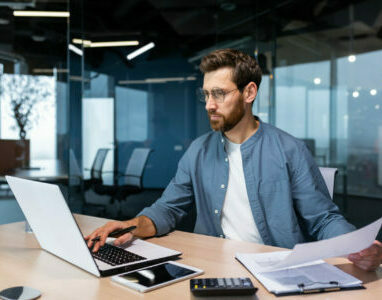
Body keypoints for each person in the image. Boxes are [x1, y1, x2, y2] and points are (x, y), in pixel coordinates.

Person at [86, 49, 382, 271]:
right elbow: (167, 208)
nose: (210, 105)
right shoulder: (197, 152)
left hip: (276, 268)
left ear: (249, 92)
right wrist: (131, 225)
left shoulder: (289, 149)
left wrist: (359, 246)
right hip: (212, 264)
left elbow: (323, 219)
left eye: (220, 94)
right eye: (206, 95)